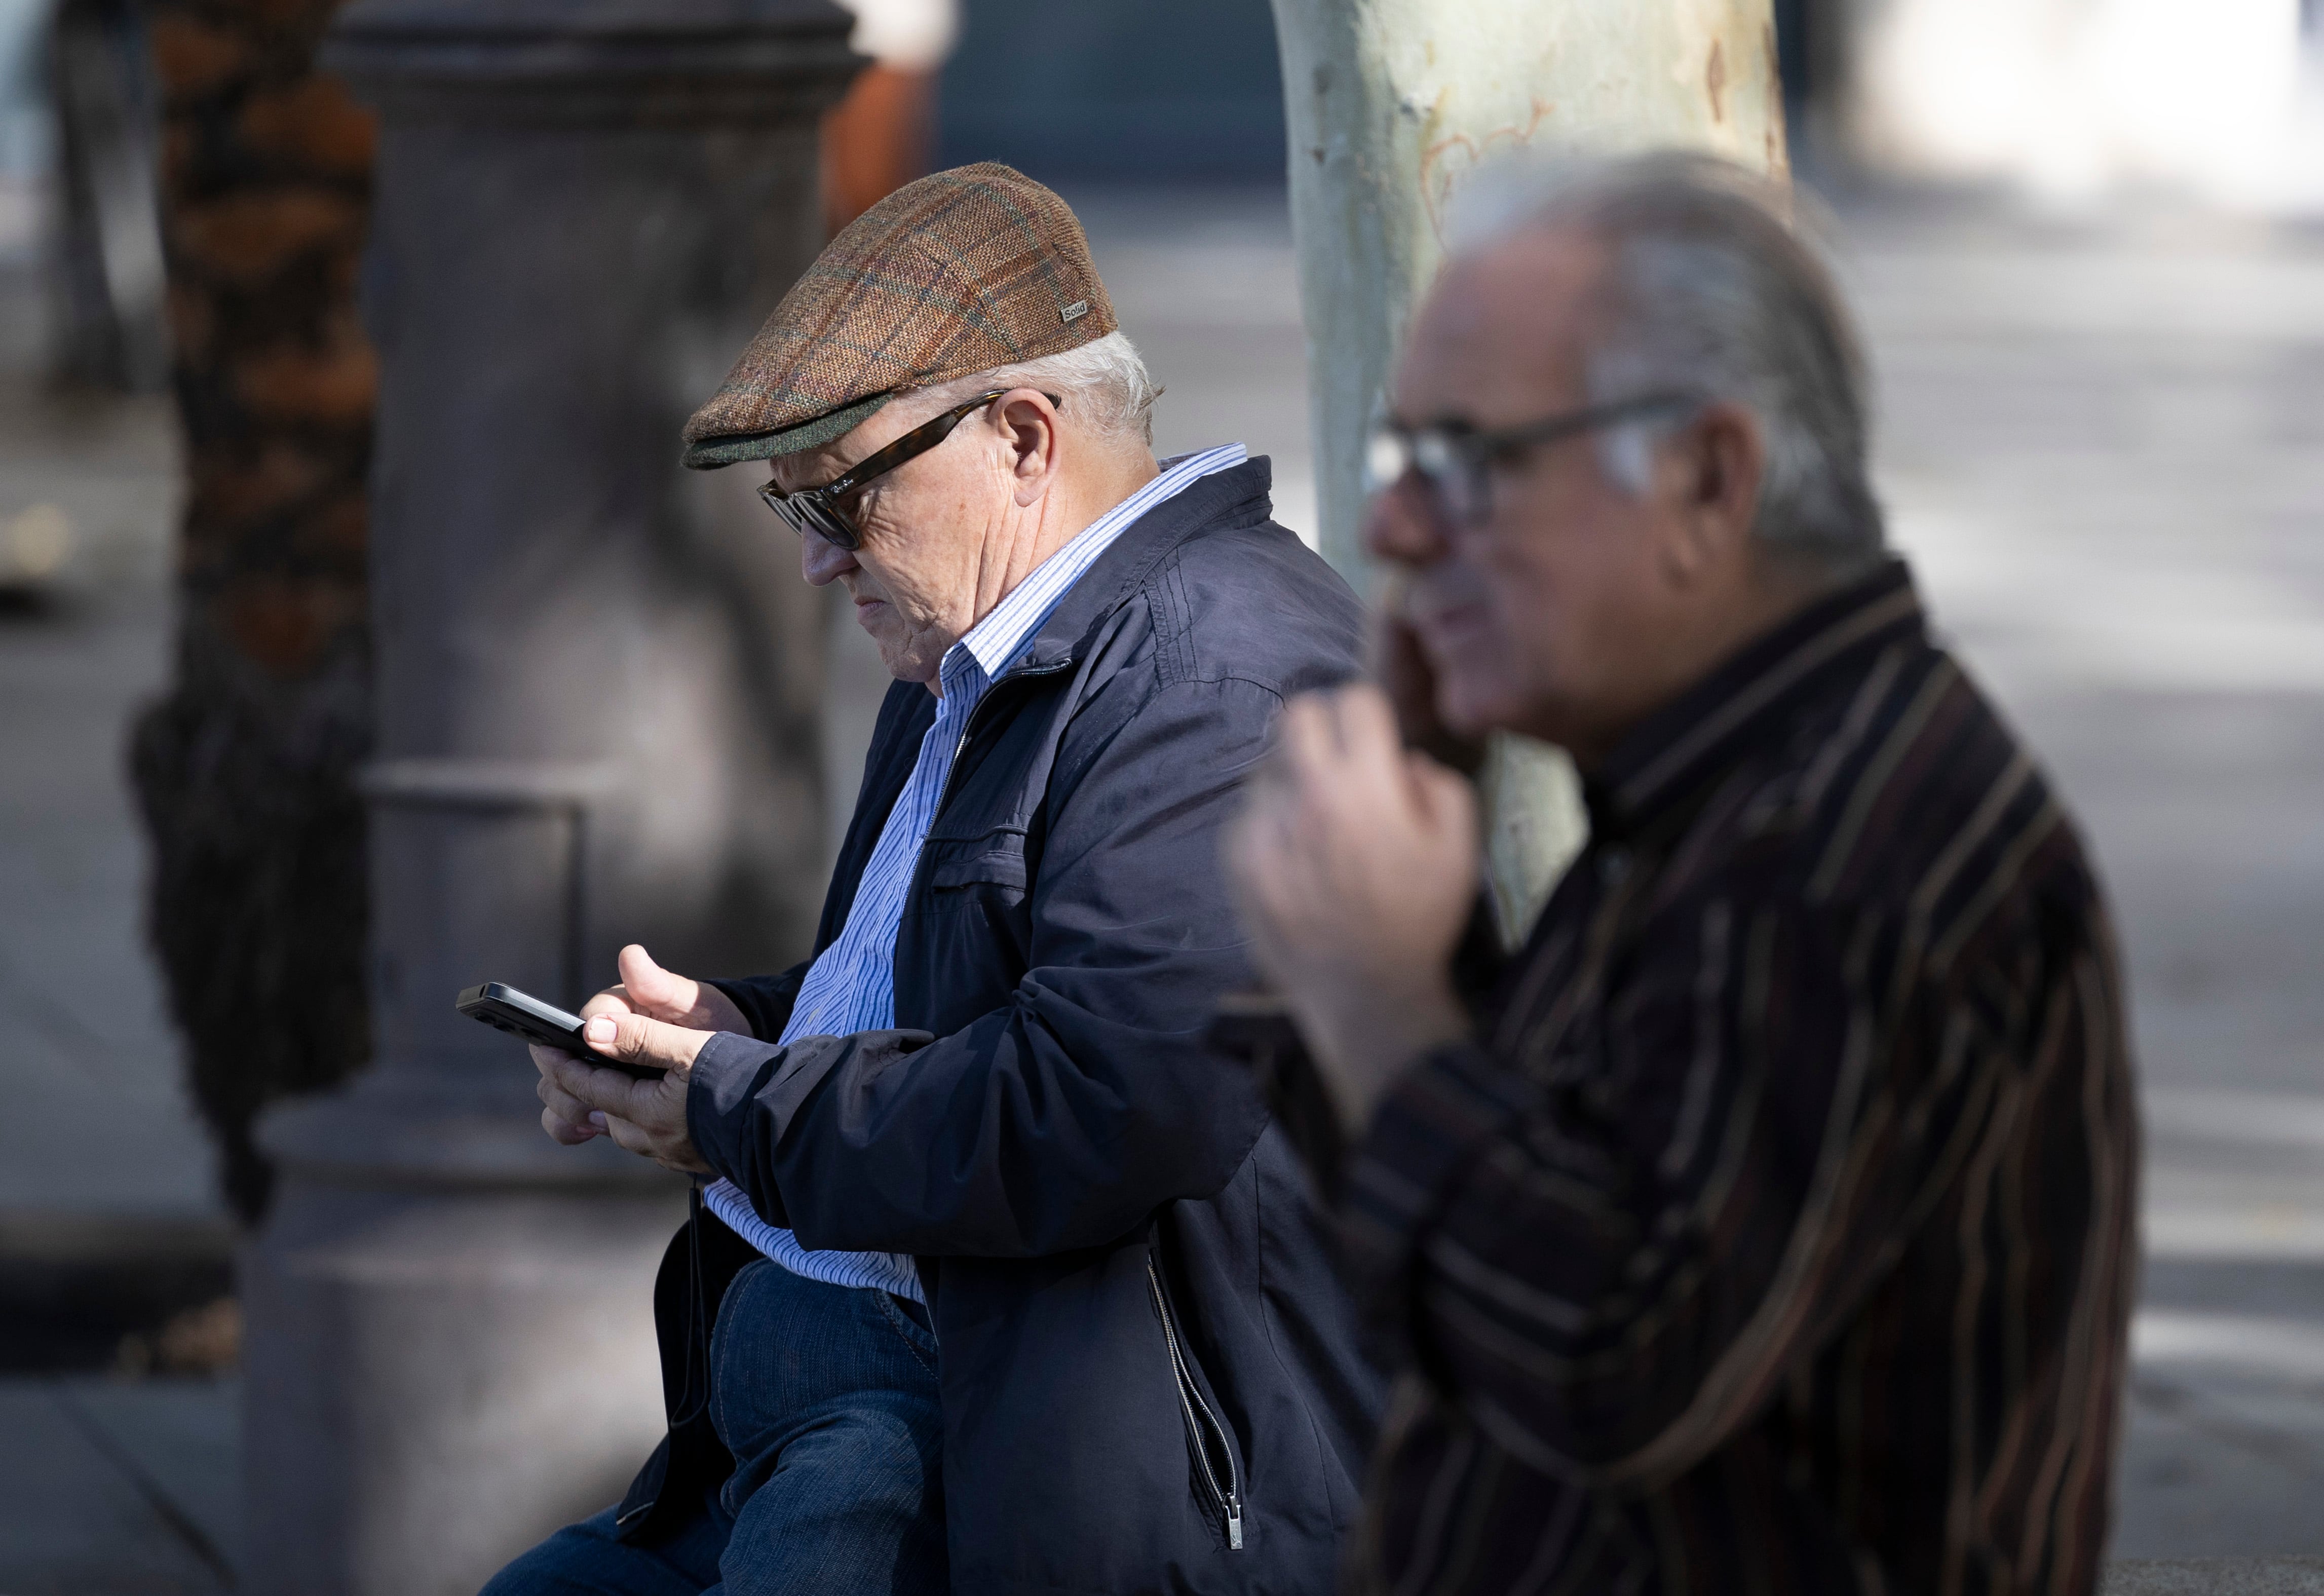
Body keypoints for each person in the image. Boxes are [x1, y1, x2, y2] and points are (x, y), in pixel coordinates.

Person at [1224, 154, 2140, 1595]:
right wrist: (1401, 932)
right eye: (1401, 468)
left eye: (1466, 462)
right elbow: (1461, 1292)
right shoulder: (1711, 789)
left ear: (1708, 479)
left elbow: (1607, 1361)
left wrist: (1380, 999)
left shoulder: (1833, 842)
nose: (1396, 533)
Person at [483, 164, 1379, 1596]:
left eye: (841, 498)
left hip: (1032, 1461)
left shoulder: (1221, 680)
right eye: (793, 512)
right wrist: (736, 1029)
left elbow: (1096, 1105)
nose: (815, 566)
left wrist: (733, 1105)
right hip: (832, 1407)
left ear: (1024, 437)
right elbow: (962, 993)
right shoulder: (976, 644)